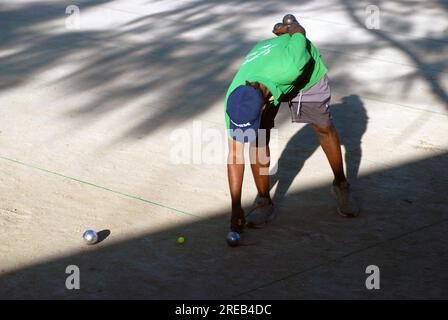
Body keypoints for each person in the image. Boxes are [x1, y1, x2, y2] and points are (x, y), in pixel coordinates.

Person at [225, 18, 359, 236]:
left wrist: (288, 28)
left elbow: (300, 31)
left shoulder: (292, 64)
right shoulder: (235, 100)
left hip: (306, 76)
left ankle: (341, 185)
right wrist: (235, 207)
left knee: (323, 126)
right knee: (258, 138)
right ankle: (264, 201)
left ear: (263, 106)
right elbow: (234, 156)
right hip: (269, 70)